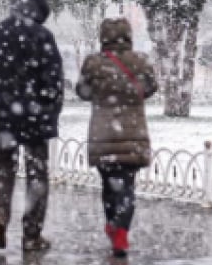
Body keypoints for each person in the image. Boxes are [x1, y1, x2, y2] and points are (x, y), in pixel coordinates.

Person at [0, 0, 64, 252]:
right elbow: (54, 82)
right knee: (37, 175)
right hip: (36, 119)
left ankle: (0, 220)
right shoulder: (43, 36)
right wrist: (48, 109)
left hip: (4, 118)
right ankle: (31, 234)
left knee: (4, 171)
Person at [76, 17, 159, 259]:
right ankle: (121, 230)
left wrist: (101, 93)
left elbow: (82, 92)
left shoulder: (93, 63)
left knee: (109, 185)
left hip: (103, 135)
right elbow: (151, 88)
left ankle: (113, 225)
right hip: (133, 133)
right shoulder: (140, 61)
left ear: (103, 37)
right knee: (127, 186)